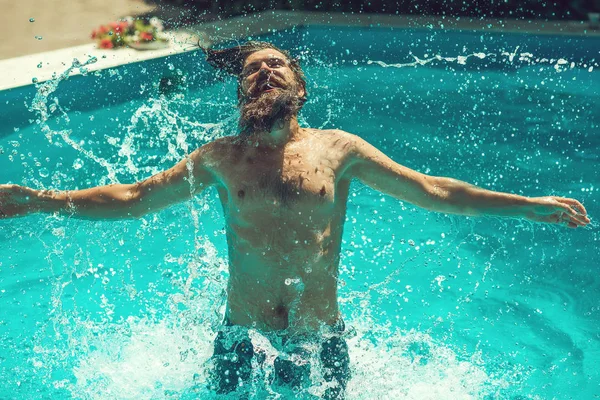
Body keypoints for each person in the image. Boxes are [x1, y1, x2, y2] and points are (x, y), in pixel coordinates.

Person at [0, 41, 590, 399]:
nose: (265, 73)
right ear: (240, 94)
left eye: (277, 65)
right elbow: (133, 198)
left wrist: (531, 207)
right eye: (253, 70)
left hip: (321, 339)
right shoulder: (219, 158)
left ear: (299, 87)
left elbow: (436, 191)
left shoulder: (340, 150)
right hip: (239, 339)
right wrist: (38, 199)